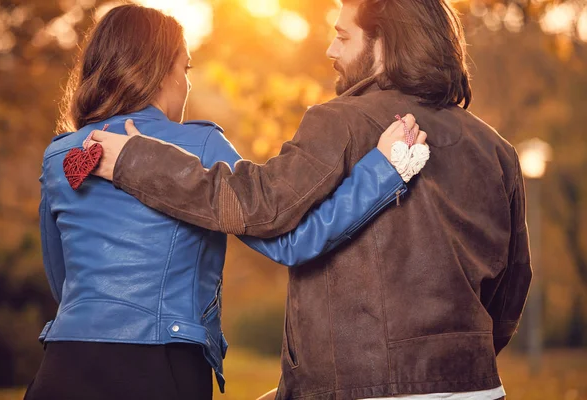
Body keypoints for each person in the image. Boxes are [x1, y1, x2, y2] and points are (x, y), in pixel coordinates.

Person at [89, 0, 532, 399]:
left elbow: (258, 206)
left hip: (366, 387)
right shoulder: (497, 149)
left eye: (343, 36)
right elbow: (513, 285)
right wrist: (457, 361)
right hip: (478, 387)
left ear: (386, 45)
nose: (330, 51)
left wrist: (136, 160)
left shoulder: (340, 121)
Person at [26, 4, 428, 400]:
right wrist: (385, 170)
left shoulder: (60, 154)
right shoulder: (201, 145)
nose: (186, 84)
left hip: (63, 362)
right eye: (185, 68)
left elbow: (61, 278)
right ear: (160, 70)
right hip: (161, 365)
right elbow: (293, 241)